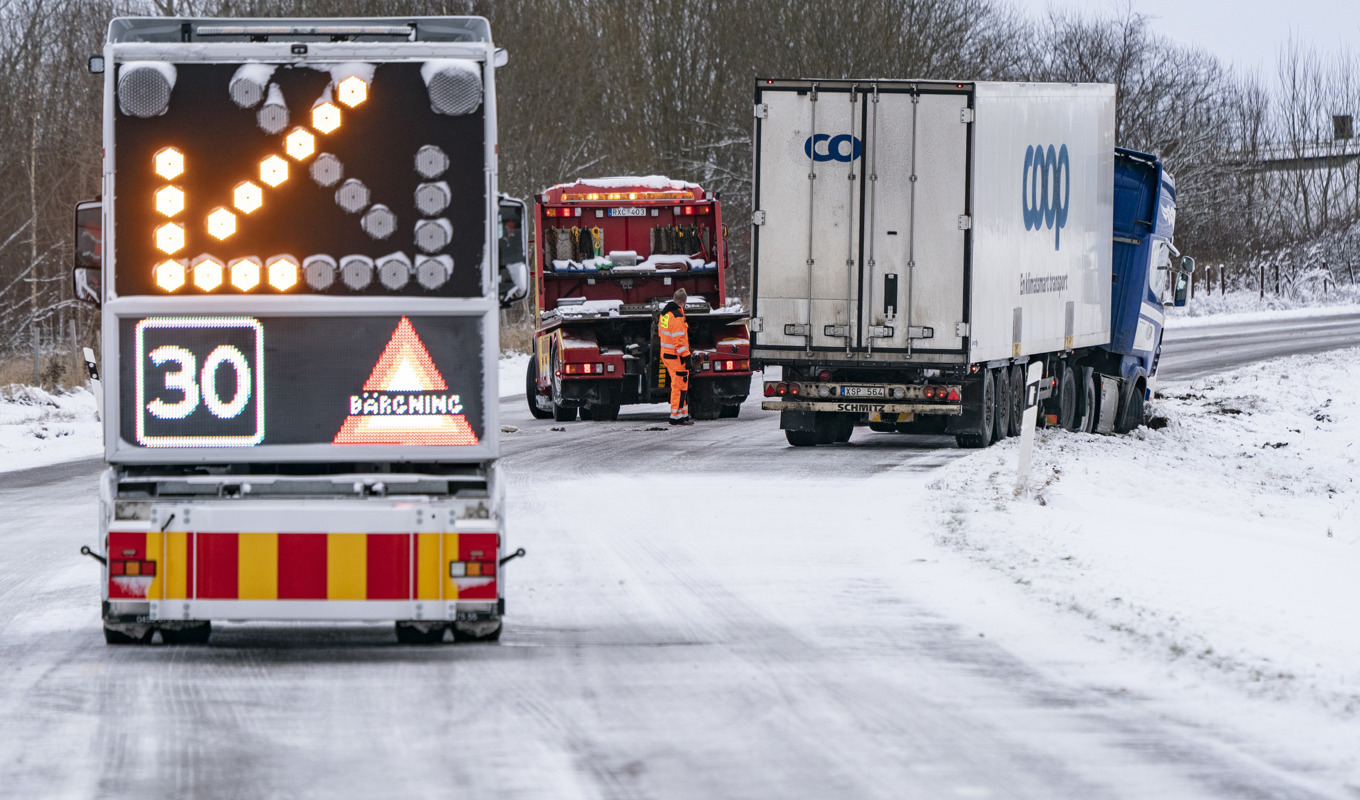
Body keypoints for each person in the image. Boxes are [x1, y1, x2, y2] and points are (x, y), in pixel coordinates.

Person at [658, 288, 694, 426]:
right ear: (684, 301)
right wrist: (687, 357)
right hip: (676, 356)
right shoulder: (677, 317)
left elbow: (662, 334)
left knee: (681, 384)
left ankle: (683, 415)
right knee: (679, 386)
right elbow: (678, 341)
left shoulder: (664, 315)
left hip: (668, 355)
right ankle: (675, 416)